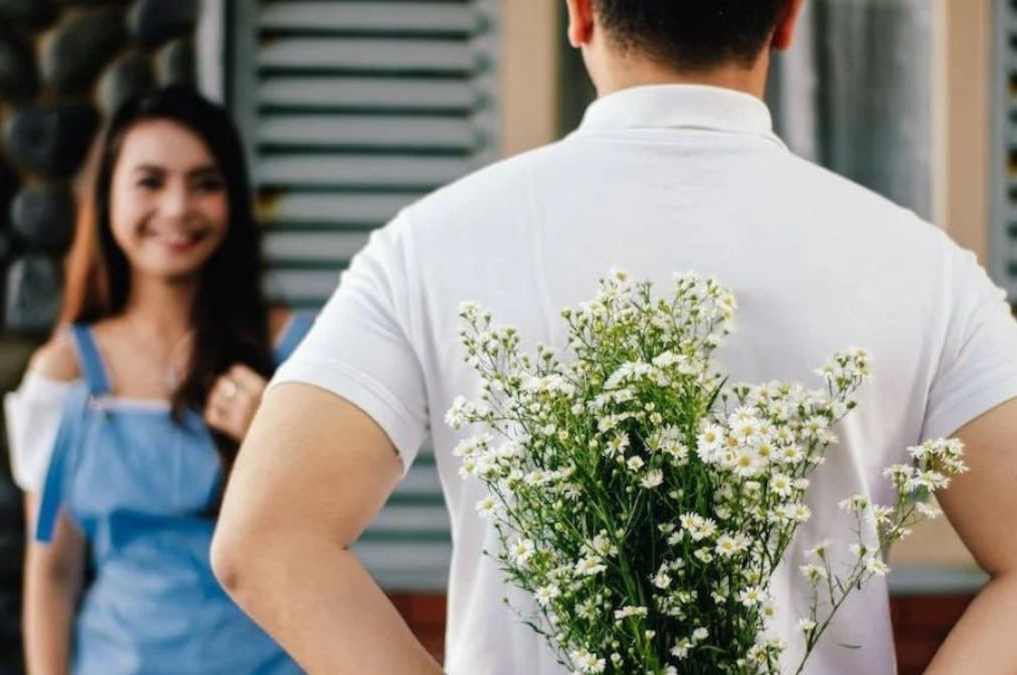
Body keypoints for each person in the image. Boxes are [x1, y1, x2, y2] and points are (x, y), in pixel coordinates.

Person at [208, 1, 1017, 673]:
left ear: (580, 12)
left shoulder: (429, 245)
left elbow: (265, 537)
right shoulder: (924, 267)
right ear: (787, 20)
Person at [4, 86, 310, 675]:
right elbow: (53, 568)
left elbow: (333, 538)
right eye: (150, 182)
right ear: (107, 197)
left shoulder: (294, 351)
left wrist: (270, 444)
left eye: (205, 184)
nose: (176, 208)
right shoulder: (64, 373)